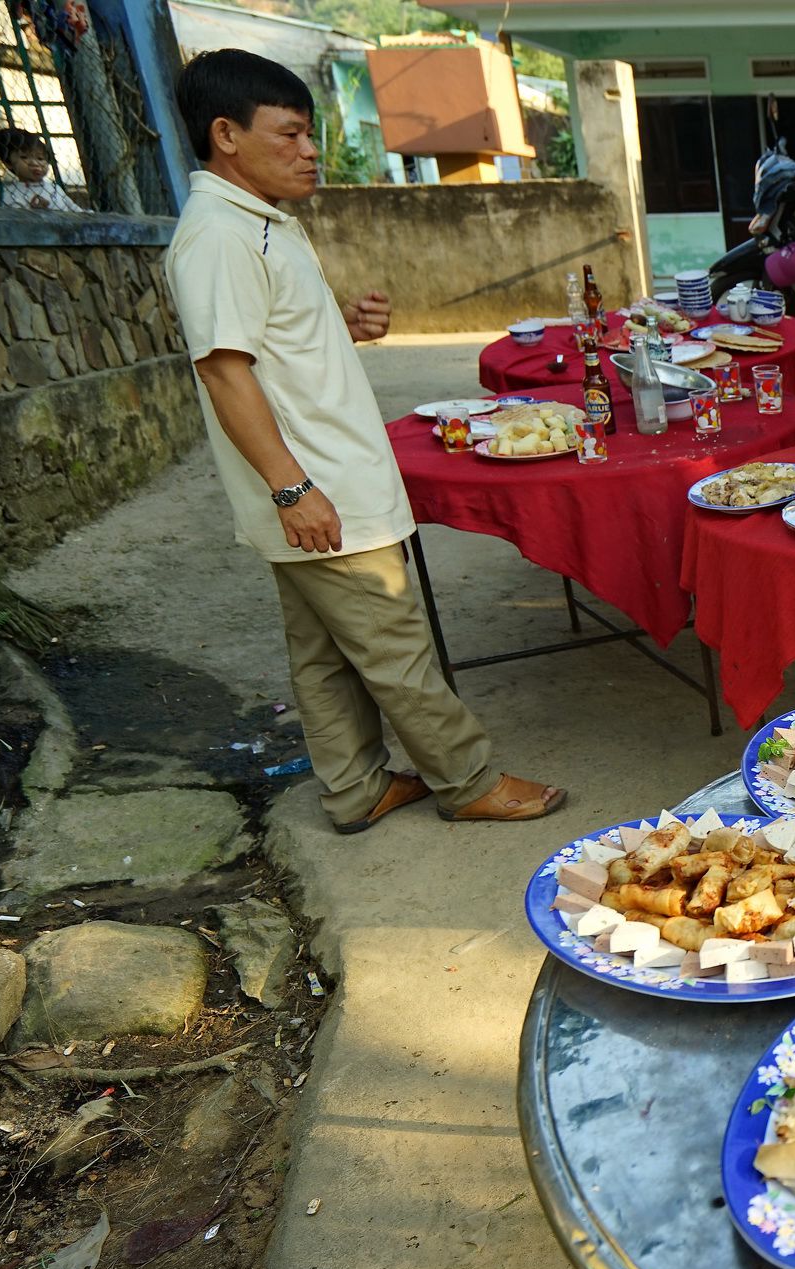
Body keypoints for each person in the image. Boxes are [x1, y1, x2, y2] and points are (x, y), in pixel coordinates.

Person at [164, 49, 566, 832]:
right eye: (288, 135)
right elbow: (223, 373)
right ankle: (469, 778)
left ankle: (354, 788)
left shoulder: (256, 224)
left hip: (318, 486)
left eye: (309, 134)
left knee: (322, 655)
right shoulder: (217, 235)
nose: (311, 150)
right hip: (322, 491)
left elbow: (264, 349)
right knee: (395, 644)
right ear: (227, 136)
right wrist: (293, 487)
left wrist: (339, 327)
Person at [0, 128, 82, 211]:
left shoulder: (55, 188)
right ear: (8, 164)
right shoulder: (9, 193)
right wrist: (36, 212)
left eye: (40, 158)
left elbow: (76, 210)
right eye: (24, 157)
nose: (35, 163)